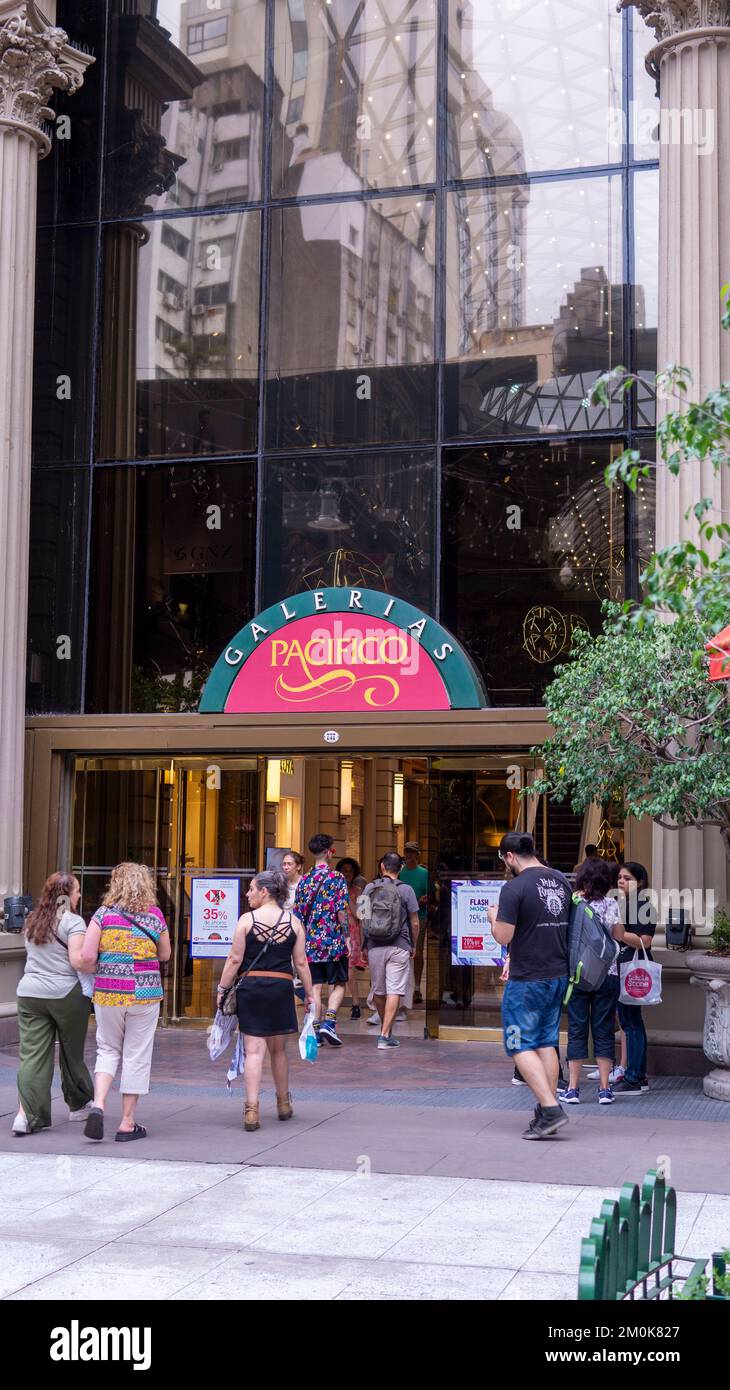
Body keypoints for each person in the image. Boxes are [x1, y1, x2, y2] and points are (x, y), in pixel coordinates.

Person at [216, 868, 314, 1131]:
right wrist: (310, 994)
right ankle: (283, 1103)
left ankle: (251, 1110)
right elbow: (301, 963)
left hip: (253, 987)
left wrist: (222, 988)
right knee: (279, 1050)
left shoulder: (246, 921)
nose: (247, 894)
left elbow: (235, 959)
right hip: (280, 987)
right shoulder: (294, 922)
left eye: (251, 889)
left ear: (264, 891)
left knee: (254, 1051)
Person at [487, 832, 571, 1140]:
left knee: (517, 1043)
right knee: (546, 1041)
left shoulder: (514, 887)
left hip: (527, 979)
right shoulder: (560, 880)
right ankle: (547, 1107)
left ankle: (550, 1109)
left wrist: (492, 918)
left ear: (509, 857)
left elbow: (504, 936)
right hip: (558, 974)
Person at [81, 862, 171, 1142]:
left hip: (109, 991)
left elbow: (86, 957)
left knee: (107, 1049)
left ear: (115, 884)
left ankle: (98, 1105)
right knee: (136, 1054)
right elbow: (166, 954)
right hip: (144, 994)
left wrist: (107, 965)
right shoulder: (154, 915)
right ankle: (127, 1122)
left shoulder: (103, 915)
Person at [12, 872, 95, 1136]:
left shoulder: (32, 920)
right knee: (71, 1052)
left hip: (29, 993)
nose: (79, 895)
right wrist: (98, 964)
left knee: (32, 1056)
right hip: (65, 994)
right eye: (77, 891)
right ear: (66, 895)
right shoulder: (73, 922)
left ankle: (26, 1116)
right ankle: (79, 1104)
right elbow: (78, 961)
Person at [560, 857, 625, 1106]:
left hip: (577, 975)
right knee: (604, 1031)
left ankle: (574, 1089)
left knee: (577, 1030)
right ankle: (605, 1089)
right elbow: (618, 937)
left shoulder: (573, 903)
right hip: (606, 975)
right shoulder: (611, 904)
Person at [294, 833, 351, 1046]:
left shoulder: (304, 880)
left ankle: (315, 1031)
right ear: (329, 852)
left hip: (311, 944)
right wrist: (346, 937)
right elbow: (342, 911)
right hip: (333, 942)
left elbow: (298, 916)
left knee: (315, 987)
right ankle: (329, 1023)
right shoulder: (337, 878)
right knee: (339, 983)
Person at [360, 851, 420, 1050]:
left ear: (382, 867)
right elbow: (415, 922)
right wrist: (414, 945)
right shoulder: (407, 890)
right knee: (395, 990)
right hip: (399, 945)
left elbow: (362, 918)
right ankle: (385, 1035)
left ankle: (385, 1030)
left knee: (378, 990)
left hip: (375, 946)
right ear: (400, 868)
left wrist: (363, 945)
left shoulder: (368, 887)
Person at [612, 861, 656, 1096]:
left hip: (633, 969)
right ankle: (637, 1076)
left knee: (632, 1023)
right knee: (629, 1023)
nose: (621, 881)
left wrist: (617, 932)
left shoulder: (643, 905)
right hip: (623, 968)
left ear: (640, 882)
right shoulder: (626, 904)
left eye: (627, 878)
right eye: (619, 877)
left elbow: (645, 940)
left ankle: (634, 1078)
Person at [337, 857, 367, 1018]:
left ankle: (356, 1004)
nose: (347, 874)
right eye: (344, 870)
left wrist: (347, 897)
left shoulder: (359, 891)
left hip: (353, 936)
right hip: (335, 934)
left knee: (349, 971)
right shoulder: (332, 890)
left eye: (350, 871)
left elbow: (361, 915)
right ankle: (333, 1007)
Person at [399, 842, 429, 1004]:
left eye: (412, 852)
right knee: (401, 952)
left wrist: (425, 899)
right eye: (406, 851)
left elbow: (431, 893)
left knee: (417, 952)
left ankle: (417, 987)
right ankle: (403, 986)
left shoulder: (424, 874)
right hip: (400, 918)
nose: (409, 854)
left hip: (420, 916)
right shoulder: (400, 872)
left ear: (417, 854)